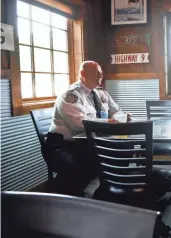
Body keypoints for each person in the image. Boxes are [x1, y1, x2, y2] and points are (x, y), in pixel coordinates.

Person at [47, 61, 131, 195]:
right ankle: (82, 193)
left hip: (88, 142)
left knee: (125, 147)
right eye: (96, 73)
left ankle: (111, 189)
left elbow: (115, 110)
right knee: (99, 157)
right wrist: (110, 121)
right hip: (64, 145)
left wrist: (122, 117)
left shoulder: (101, 93)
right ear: (82, 74)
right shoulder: (70, 96)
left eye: (101, 74)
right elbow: (81, 124)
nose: (100, 76)